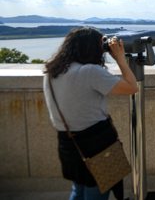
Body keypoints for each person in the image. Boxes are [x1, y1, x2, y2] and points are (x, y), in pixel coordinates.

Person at [43, 27, 138, 200]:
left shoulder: (51, 72)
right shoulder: (89, 72)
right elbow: (132, 87)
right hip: (96, 144)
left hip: (68, 143)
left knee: (78, 189)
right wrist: (120, 59)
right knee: (96, 193)